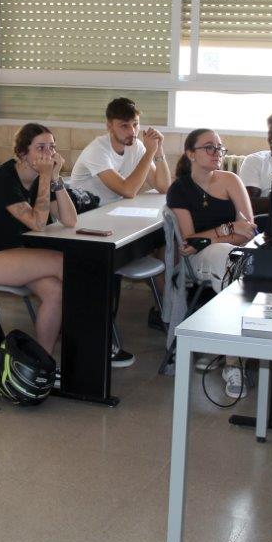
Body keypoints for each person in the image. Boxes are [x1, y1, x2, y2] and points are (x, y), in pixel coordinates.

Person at [0, 123, 77, 355]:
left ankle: (43, 360)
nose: (48, 154)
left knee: (56, 291)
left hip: (13, 252)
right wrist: (45, 177)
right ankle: (92, 337)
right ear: (22, 153)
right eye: (40, 148)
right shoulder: (2, 178)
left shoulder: (40, 178)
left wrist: (55, 178)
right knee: (64, 263)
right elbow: (37, 223)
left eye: (52, 147)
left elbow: (70, 220)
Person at [69, 97, 172, 366]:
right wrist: (148, 153)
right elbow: (128, 190)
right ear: (109, 126)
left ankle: (165, 313)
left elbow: (163, 186)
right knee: (109, 266)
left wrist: (158, 151)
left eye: (135, 124)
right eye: (124, 126)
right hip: (83, 222)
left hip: (111, 219)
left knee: (161, 241)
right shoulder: (98, 150)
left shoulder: (136, 145)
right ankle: (102, 341)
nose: (132, 132)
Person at [167, 128, 257, 398]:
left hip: (236, 252)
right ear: (190, 153)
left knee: (235, 262)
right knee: (230, 264)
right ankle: (233, 363)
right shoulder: (180, 190)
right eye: (209, 147)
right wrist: (228, 229)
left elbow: (249, 231)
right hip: (200, 259)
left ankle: (225, 348)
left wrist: (212, 236)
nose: (217, 152)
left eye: (219, 147)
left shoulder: (231, 180)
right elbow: (189, 241)